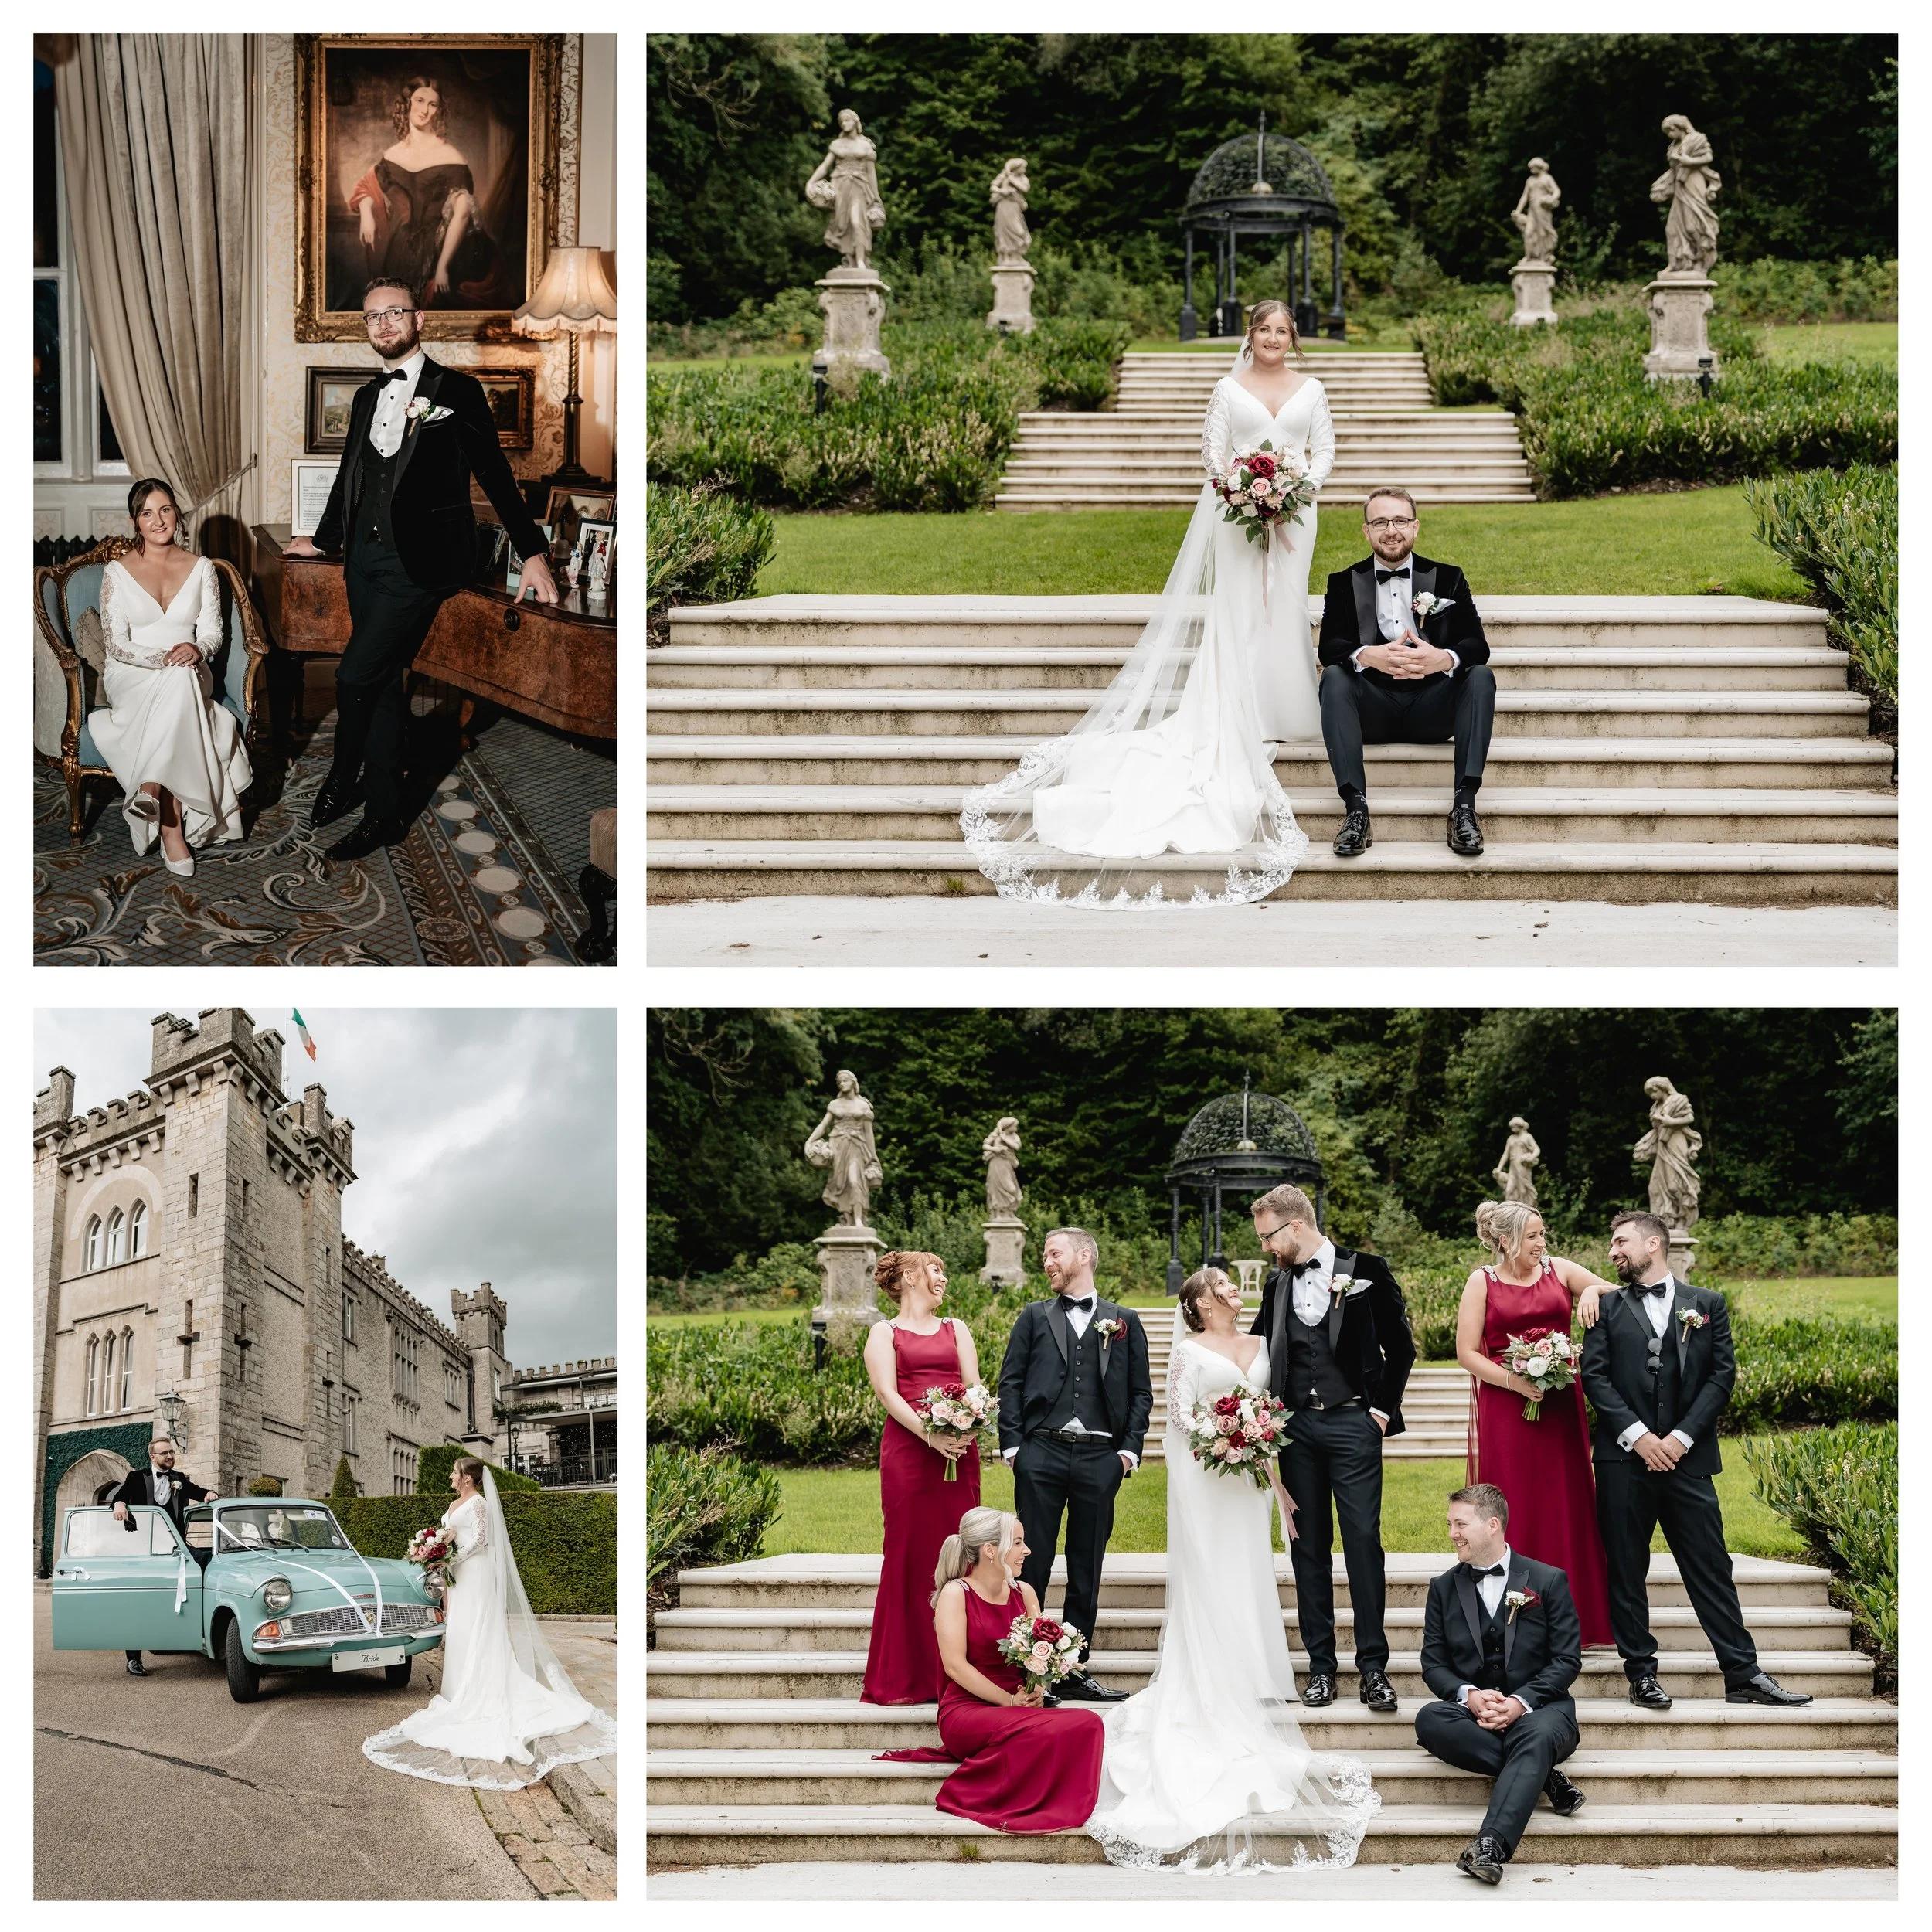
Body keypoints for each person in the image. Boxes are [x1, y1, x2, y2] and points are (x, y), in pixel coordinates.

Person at [961, 300, 1332, 905]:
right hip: (1236, 513)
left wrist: (1294, 493)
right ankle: (1238, 710)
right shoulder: (1226, 387)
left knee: (1284, 607)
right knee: (1239, 610)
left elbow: (1324, 452)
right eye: (1264, 330)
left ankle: (1287, 709)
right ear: (1250, 335)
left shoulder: (1311, 390)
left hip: (1296, 517)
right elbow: (1213, 455)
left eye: (1282, 331)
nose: (1273, 339)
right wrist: (1244, 494)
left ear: (1293, 339)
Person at [1086, 1269, 1380, 1870]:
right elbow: (1178, 1416)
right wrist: (1226, 1440)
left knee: (1249, 1571)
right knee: (1212, 1572)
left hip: (1251, 1482)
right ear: (1197, 1302)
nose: (1231, 1288)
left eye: (1230, 1281)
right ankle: (1213, 1677)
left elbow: (1276, 1401)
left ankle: (1252, 1672)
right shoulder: (1190, 1349)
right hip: (1209, 1476)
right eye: (1219, 1283)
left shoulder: (1262, 1344)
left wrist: (1257, 1438)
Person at [283, 276, 556, 862]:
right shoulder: (364, 398)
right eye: (372, 317)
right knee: (380, 685)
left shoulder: (456, 390)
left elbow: (496, 477)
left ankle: (342, 774)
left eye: (394, 314)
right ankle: (383, 814)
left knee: (354, 676)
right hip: (363, 560)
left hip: (420, 565)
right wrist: (324, 539)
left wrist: (533, 552)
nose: (383, 325)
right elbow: (350, 479)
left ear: (419, 319)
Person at [1580, 1212, 1811, 1710]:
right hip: (1624, 1463)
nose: (1613, 1252)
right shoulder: (1604, 1306)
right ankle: (1641, 1674)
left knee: (1711, 1566)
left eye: (1621, 1241)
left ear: (1654, 1244)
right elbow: (1594, 1379)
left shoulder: (1707, 1304)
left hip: (1688, 1463)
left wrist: (1681, 1439)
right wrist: (1640, 1437)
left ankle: (1743, 1674)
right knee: (1625, 1569)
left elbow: (1720, 1378)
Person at [1248, 1183, 1415, 1714]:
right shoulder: (1278, 1284)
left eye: (1269, 1236)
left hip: (1353, 1425)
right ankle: (1321, 1667)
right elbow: (1255, 1351)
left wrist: (1380, 1413)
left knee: (1363, 1542)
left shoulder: (1367, 1267)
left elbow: (1403, 1346)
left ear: (1296, 1226)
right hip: (1296, 1431)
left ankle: (1373, 1669)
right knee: (1308, 1549)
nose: (1267, 1248)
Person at [365, 1456, 617, 1787]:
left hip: (476, 1572)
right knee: (461, 1628)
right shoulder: (455, 1502)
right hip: (460, 1575)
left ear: (468, 1478)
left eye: (455, 1472)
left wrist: (448, 1557)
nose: (451, 1476)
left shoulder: (479, 1503)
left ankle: (483, 1689)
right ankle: (458, 1690)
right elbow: (452, 1534)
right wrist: (438, 1552)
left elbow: (481, 1539)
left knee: (478, 1626)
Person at [996, 1228, 1152, 1700]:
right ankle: (1028, 1665)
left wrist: (1127, 1452)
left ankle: (1073, 1667)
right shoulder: (1033, 1317)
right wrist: (1014, 1448)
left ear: (1083, 1256)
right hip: (1039, 1453)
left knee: (1088, 1563)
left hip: (1100, 1456)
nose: (1046, 1261)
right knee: (1033, 1561)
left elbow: (1142, 1392)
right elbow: (1011, 1382)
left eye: (1054, 1253)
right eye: (1046, 1254)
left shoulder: (1123, 1321)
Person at [1458, 1202, 1616, 1648]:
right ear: (1505, 1240)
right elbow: (1467, 1352)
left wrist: (1589, 1293)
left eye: (1543, 1234)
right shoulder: (1481, 1281)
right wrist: (1516, 1382)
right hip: (1507, 1409)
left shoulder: (1560, 1270)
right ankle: (1518, 1618)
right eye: (1533, 1236)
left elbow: (1613, 1291)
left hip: (1560, 1407)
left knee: (1566, 1500)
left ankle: (1579, 1613)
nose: (1542, 1243)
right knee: (1516, 1502)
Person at [1414, 1485, 1586, 1886]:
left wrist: (1521, 1702)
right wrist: (1470, 1697)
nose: (1452, 1533)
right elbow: (1433, 1664)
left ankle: (1489, 1846)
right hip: (1474, 1717)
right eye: (1450, 1524)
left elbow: (1567, 1660)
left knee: (1538, 1735)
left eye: (1461, 1523)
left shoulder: (1547, 1580)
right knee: (1429, 1720)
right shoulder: (1443, 1588)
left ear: (1492, 1525)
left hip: (1542, 1710)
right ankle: (1546, 1778)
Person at [1315, 487, 1496, 859]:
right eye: (1380, 522)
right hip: (1372, 712)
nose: (1391, 530)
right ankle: (1356, 811)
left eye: (1399, 520)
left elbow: (1478, 645)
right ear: (1366, 532)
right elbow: (1329, 647)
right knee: (1333, 676)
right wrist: (1368, 655)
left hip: (1434, 710)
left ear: (1415, 528)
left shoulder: (1448, 577)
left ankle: (1464, 808)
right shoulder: (1343, 581)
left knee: (1480, 677)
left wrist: (1444, 659)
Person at [90, 478, 253, 877]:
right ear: (135, 522)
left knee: (182, 678)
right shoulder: (117, 571)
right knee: (176, 678)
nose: (158, 520)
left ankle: (154, 794)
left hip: (190, 668)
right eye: (147, 513)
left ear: (176, 514)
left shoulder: (201, 569)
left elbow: (213, 632)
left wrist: (198, 650)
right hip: (132, 673)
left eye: (164, 509)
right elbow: (116, 644)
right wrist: (163, 657)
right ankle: (171, 824)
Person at [930, 1507, 1106, 1832]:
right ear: (991, 1550)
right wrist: (1008, 1701)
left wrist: (1036, 1690)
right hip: (967, 1711)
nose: (1027, 1551)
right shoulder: (956, 1593)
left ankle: (1064, 1801)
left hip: (1018, 1709)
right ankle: (974, 1792)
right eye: (1019, 1543)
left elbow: (1038, 1657)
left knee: (1089, 1723)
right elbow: (955, 1666)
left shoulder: (1024, 1592)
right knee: (1044, 1731)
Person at [860, 1250, 983, 1704]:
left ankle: (959, 1670)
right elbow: (888, 1394)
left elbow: (974, 1387)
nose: (943, 1278)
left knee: (961, 1551)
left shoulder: (958, 1329)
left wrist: (968, 1423)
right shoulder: (884, 1332)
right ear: (910, 1278)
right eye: (935, 1270)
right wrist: (931, 1436)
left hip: (958, 1452)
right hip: (911, 1455)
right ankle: (906, 1677)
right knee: (910, 1556)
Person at [349, 76, 497, 308]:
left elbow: (464, 210)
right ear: (408, 103)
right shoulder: (391, 155)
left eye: (433, 104)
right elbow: (368, 186)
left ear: (439, 110)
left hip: (439, 251)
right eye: (419, 100)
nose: (425, 110)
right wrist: (367, 210)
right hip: (398, 249)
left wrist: (443, 268)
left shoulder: (452, 158)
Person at [105, 1436, 217, 1675]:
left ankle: (205, 1632)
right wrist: (119, 1504)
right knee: (138, 1600)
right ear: (152, 1457)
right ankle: (133, 1658)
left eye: (171, 1452)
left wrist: (209, 1493)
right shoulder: (137, 1477)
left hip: (176, 1546)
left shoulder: (178, 1479)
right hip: (144, 1548)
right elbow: (121, 1494)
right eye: (164, 1453)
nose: (170, 1456)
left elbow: (198, 1491)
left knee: (208, 1561)